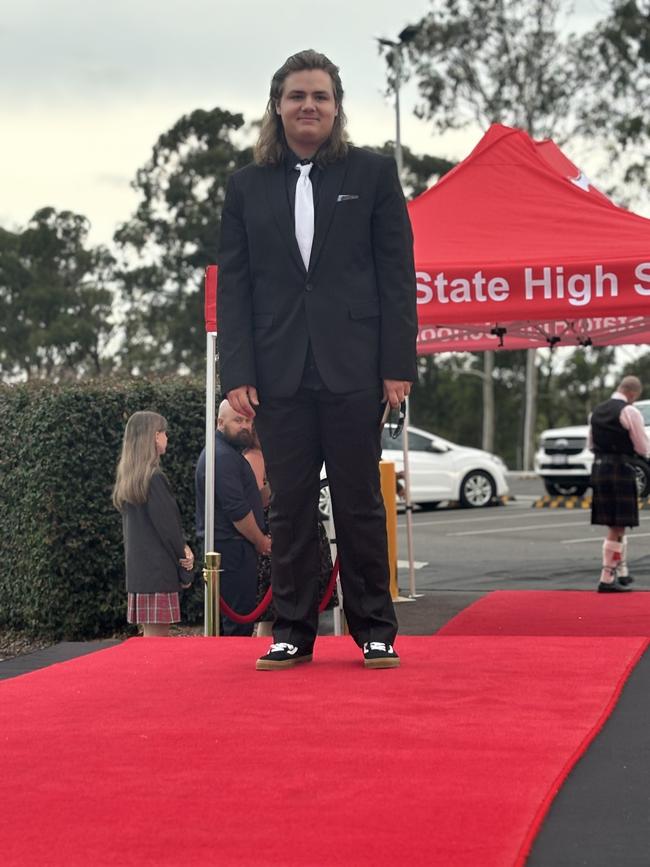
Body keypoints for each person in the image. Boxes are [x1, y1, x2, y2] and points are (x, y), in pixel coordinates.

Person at [217, 49, 417, 669]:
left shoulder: (374, 173)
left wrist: (396, 366)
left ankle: (375, 628)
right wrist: (238, 373)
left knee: (359, 499)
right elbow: (236, 285)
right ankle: (293, 628)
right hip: (278, 374)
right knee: (291, 503)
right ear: (277, 106)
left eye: (321, 97)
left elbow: (397, 277)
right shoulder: (244, 187)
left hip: (354, 368)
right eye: (298, 95)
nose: (310, 106)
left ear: (336, 108)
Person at [112, 411, 194, 637]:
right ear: (155, 436)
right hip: (159, 573)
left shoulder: (130, 480)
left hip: (141, 573)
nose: (167, 437)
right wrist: (184, 558)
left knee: (150, 639)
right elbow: (169, 529)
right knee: (158, 642)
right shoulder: (154, 478)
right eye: (164, 432)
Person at [195, 400, 272, 635]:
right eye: (238, 420)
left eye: (248, 421)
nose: (245, 426)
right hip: (232, 551)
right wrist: (261, 541)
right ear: (220, 422)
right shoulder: (223, 456)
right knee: (237, 627)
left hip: (232, 549)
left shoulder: (225, 454)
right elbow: (237, 510)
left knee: (234, 624)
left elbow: (250, 501)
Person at [589, 375, 650, 592]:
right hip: (621, 468)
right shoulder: (629, 411)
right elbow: (643, 448)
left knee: (616, 526)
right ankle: (607, 578)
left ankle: (621, 572)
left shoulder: (596, 411)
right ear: (632, 394)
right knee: (617, 526)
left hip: (600, 468)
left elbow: (590, 444)